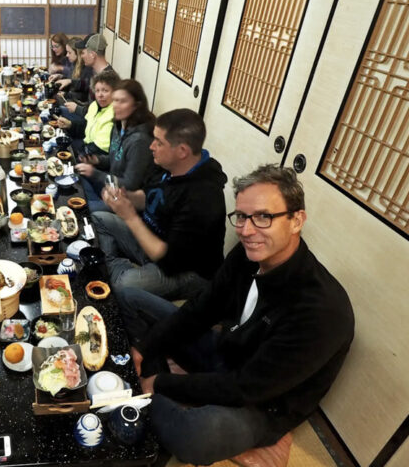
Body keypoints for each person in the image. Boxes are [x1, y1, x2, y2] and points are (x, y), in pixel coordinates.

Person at [117, 165, 355, 465]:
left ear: (297, 220)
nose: (246, 230)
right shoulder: (246, 256)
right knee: (129, 298)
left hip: (263, 402)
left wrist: (159, 384)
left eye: (263, 217)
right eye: (241, 216)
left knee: (197, 436)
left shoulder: (321, 311)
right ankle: (149, 382)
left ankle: (144, 390)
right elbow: (199, 310)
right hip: (226, 352)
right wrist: (144, 348)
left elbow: (247, 387)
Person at [93, 108, 227, 300]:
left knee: (123, 284)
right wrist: (125, 197)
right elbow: (148, 196)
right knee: (98, 219)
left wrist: (130, 217)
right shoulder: (167, 166)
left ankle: (118, 272)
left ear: (182, 151)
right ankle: (120, 269)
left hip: (183, 268)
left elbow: (167, 257)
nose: (151, 146)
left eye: (159, 142)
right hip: (151, 241)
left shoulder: (203, 197)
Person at [75, 79, 161, 212]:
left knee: (80, 207)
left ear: (136, 105)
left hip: (125, 200)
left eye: (123, 101)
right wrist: (96, 160)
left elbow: (130, 184)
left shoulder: (140, 140)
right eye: (115, 100)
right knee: (76, 179)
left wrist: (94, 173)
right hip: (111, 186)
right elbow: (115, 159)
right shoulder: (118, 126)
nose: (116, 105)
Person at [55, 70, 120, 156]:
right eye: (97, 91)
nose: (100, 95)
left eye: (105, 91)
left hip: (95, 156)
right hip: (86, 145)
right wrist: (70, 125)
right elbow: (86, 126)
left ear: (115, 92)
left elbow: (101, 149)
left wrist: (80, 154)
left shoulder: (115, 113)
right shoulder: (95, 105)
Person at [64, 33, 116, 117]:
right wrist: (70, 81)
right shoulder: (96, 72)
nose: (81, 56)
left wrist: (77, 108)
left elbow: (98, 114)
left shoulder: (106, 80)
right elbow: (87, 85)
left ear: (92, 55)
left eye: (83, 53)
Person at [51, 37, 93, 104]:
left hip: (79, 104)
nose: (67, 55)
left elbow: (84, 90)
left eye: (69, 52)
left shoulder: (87, 67)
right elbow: (70, 80)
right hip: (70, 100)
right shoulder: (74, 63)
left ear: (77, 53)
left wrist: (66, 94)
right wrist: (60, 76)